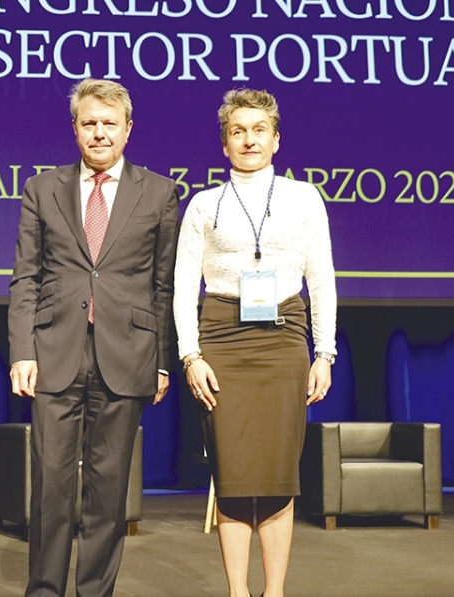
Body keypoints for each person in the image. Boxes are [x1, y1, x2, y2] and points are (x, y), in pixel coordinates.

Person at [8, 78, 180, 597]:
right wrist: (22, 350)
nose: (99, 133)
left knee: (108, 494)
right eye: (89, 123)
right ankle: (44, 590)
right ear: (75, 128)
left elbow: (164, 286)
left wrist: (163, 361)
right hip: (54, 353)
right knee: (51, 491)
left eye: (110, 123)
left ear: (128, 129)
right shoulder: (43, 188)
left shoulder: (161, 192)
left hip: (127, 355)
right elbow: (26, 277)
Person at [173, 89, 336, 597]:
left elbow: (322, 279)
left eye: (258, 129)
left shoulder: (304, 197)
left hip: (285, 339)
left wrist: (325, 352)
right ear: (225, 144)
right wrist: (189, 354)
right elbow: (183, 285)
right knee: (235, 475)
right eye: (238, 131)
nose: (248, 139)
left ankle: (275, 591)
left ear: (276, 139)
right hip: (221, 339)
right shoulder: (204, 204)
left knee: (278, 474)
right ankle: (238, 592)